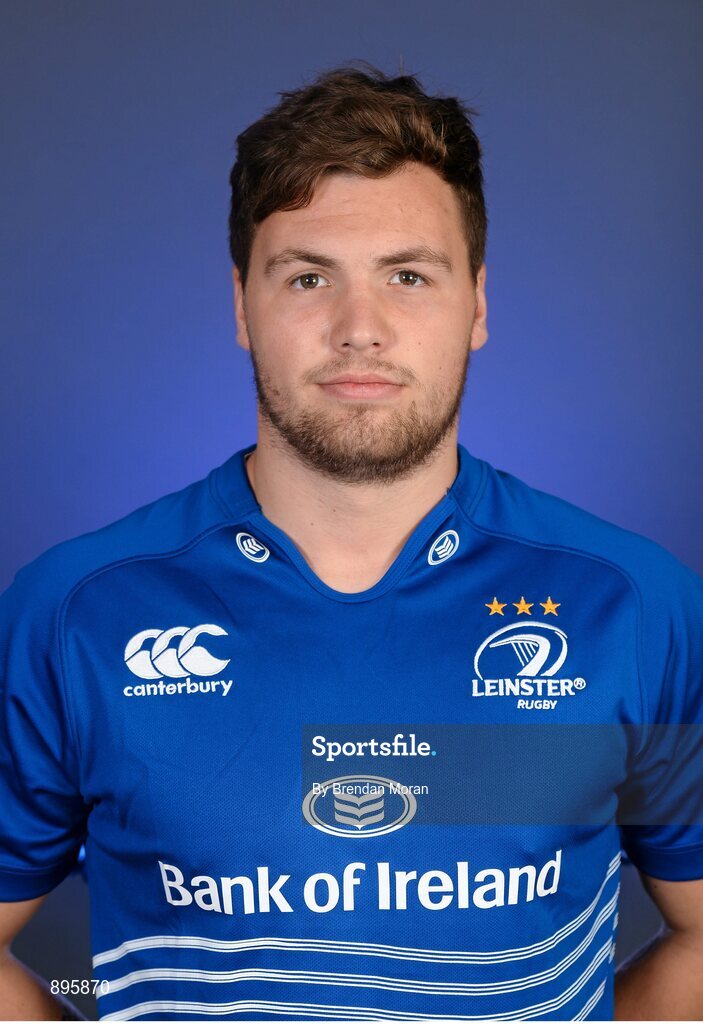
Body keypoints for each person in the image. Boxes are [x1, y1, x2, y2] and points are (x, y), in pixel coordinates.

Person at [1, 62, 702, 1023]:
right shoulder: (73, 611)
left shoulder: (634, 605)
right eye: (307, 277)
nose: (358, 330)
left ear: (478, 304)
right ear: (242, 305)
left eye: (407, 276)